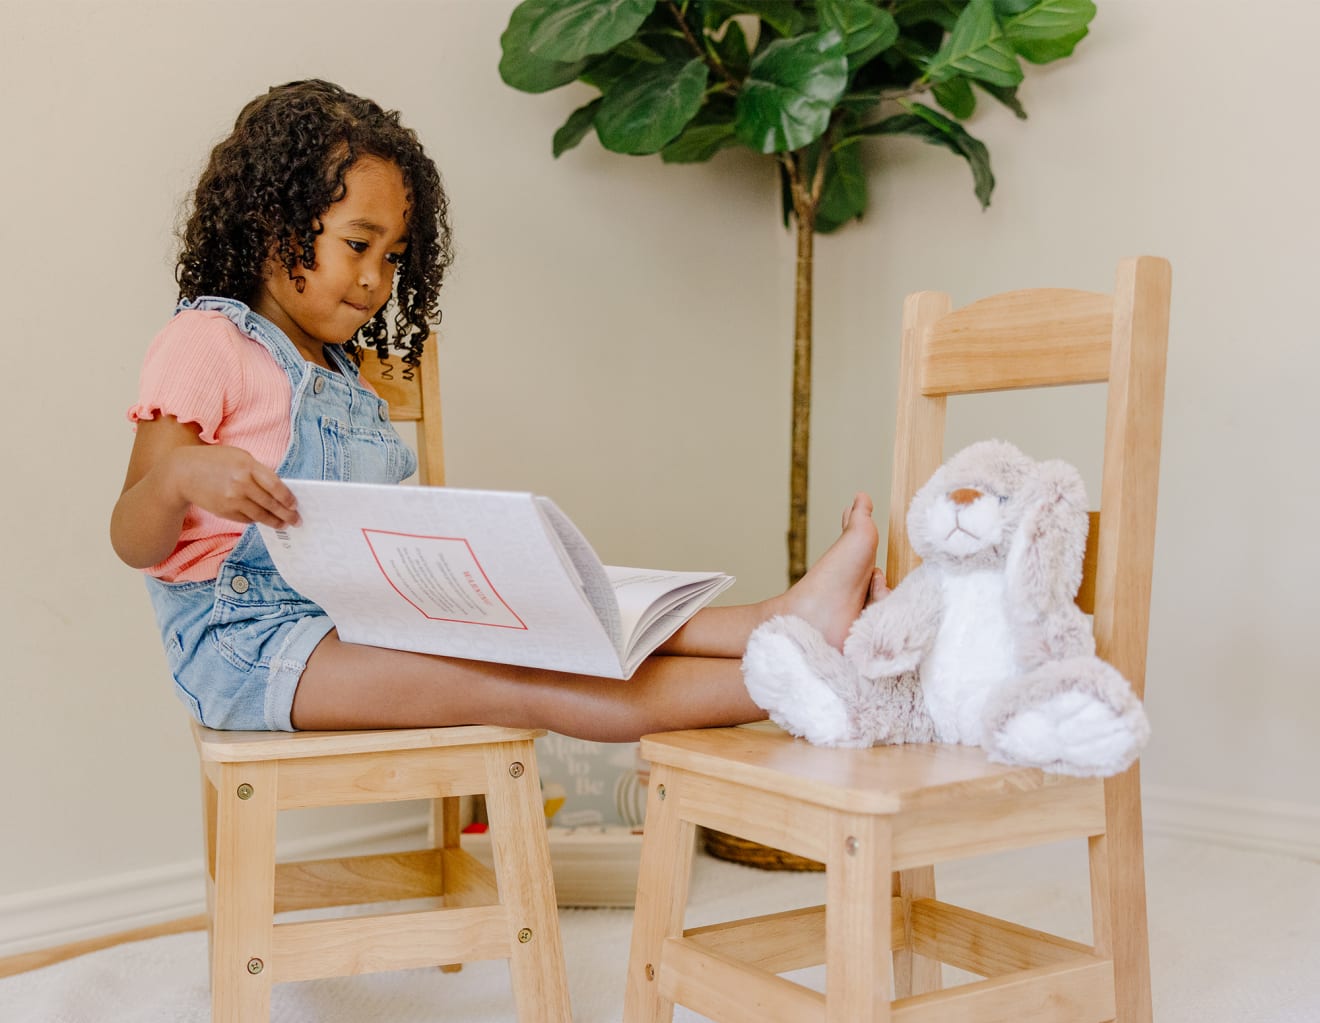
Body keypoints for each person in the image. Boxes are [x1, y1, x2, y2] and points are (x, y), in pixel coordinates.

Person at [111, 79, 884, 742]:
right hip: (251, 647)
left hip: (358, 615)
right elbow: (133, 539)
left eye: (394, 256)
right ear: (274, 226)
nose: (378, 278)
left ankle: (776, 621)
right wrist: (180, 475)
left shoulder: (342, 372)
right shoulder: (206, 340)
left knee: (557, 603)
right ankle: (802, 679)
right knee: (520, 682)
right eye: (359, 243)